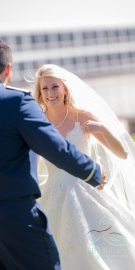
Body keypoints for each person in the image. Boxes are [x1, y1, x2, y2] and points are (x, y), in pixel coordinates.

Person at [0, 39, 105, 270]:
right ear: (8, 69)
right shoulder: (18, 101)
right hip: (15, 214)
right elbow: (53, 146)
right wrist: (91, 171)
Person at [33, 64, 135, 270]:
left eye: (54, 87)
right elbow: (33, 165)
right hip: (53, 196)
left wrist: (102, 129)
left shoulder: (83, 116)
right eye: (45, 89)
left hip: (88, 193)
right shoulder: (38, 123)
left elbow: (122, 153)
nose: (50, 93)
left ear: (64, 89)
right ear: (40, 93)